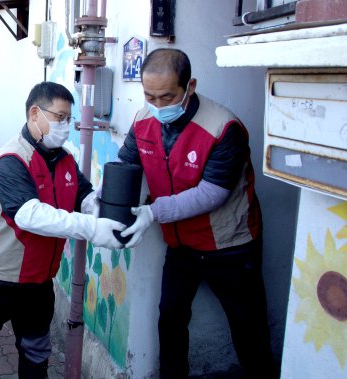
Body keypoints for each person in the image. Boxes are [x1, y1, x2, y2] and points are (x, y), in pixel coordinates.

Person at [0, 81, 126, 378]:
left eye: (69, 118)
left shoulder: (64, 158)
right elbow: (29, 215)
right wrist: (93, 229)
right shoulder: (12, 158)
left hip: (39, 283)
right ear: (35, 113)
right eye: (60, 118)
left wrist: (110, 210)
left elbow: (85, 196)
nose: (66, 126)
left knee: (36, 352)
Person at [117, 48, 275, 379]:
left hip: (230, 245)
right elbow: (126, 166)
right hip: (181, 244)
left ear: (189, 87)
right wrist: (105, 198)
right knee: (171, 317)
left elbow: (211, 194)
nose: (157, 105)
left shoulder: (223, 126)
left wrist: (152, 212)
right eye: (149, 96)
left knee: (248, 327)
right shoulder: (143, 120)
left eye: (167, 96)